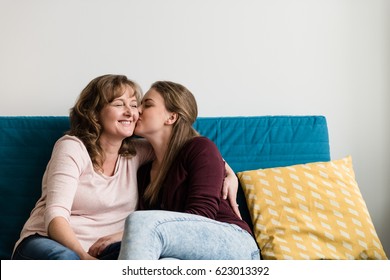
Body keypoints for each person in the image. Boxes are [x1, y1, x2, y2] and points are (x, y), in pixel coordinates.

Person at [12, 75, 240, 260]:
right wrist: (82, 257)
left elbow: (188, 148)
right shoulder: (72, 148)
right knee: (66, 261)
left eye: (135, 105)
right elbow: (55, 216)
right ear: (95, 113)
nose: (132, 112)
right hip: (50, 241)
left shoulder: (136, 153)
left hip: (106, 249)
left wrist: (228, 172)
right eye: (119, 104)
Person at [118, 81, 260, 260]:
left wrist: (126, 234)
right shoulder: (144, 171)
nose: (137, 110)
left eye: (147, 104)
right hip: (187, 251)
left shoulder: (199, 148)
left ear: (171, 118)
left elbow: (202, 216)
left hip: (234, 243)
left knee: (139, 221)